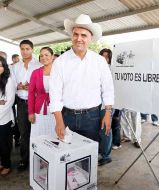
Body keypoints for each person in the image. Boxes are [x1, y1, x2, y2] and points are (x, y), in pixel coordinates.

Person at [49, 14, 114, 165]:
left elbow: (108, 89)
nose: (79, 38)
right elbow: (55, 93)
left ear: (90, 38)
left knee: (88, 157)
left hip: (92, 117)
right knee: (68, 157)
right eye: (76, 34)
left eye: (83, 35)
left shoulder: (99, 62)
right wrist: (59, 121)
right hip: (67, 116)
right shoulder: (60, 62)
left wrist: (108, 113)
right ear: (71, 36)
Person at [12, 40, 41, 171]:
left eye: (27, 49)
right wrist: (17, 85)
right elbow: (12, 83)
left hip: (36, 103)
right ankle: (24, 160)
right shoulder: (15, 66)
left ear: (32, 49)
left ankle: (39, 159)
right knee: (24, 133)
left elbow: (42, 84)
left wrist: (32, 87)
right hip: (22, 103)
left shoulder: (38, 65)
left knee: (38, 132)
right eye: (22, 49)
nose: (25, 51)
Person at [28, 47, 56, 138]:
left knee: (54, 135)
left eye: (46, 55)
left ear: (52, 56)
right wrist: (31, 112)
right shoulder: (35, 73)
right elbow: (31, 93)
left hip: (56, 110)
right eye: (41, 55)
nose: (44, 57)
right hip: (39, 110)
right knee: (38, 136)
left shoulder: (59, 71)